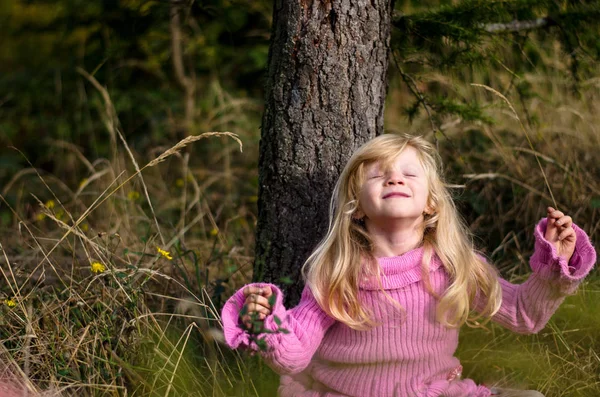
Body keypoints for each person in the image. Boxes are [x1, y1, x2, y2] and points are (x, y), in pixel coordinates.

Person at [221, 134, 596, 396]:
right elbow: (295, 354)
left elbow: (523, 315)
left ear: (432, 203)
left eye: (409, 172)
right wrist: (264, 325)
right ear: (356, 205)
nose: (394, 177)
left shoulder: (456, 266)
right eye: (378, 174)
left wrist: (555, 264)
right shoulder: (337, 274)